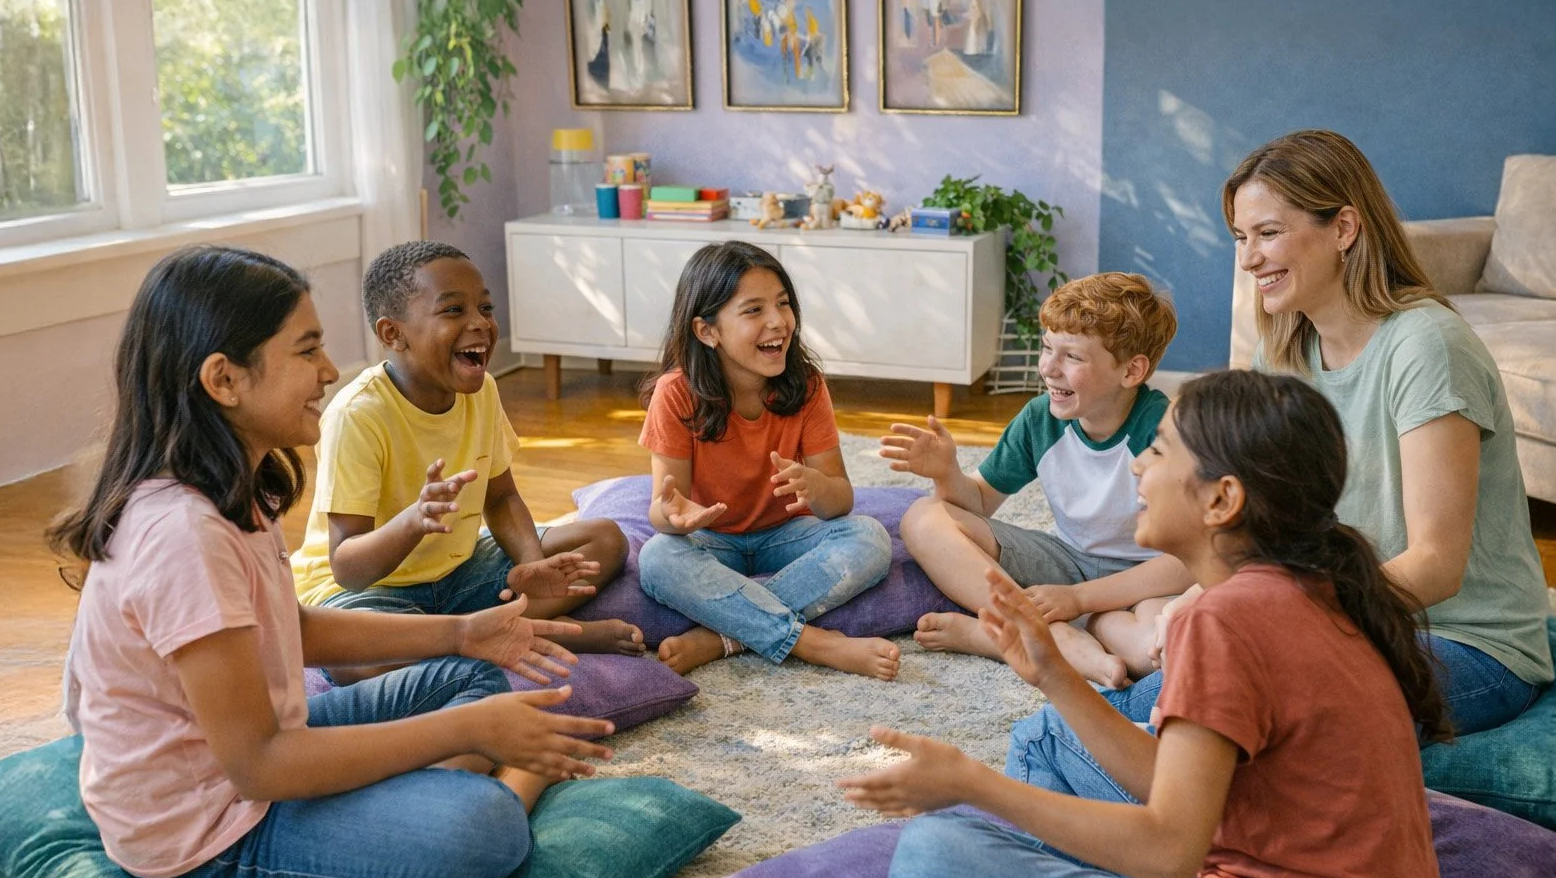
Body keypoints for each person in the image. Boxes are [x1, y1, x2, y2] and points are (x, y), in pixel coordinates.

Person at [841, 370, 1445, 878]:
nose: (1135, 465)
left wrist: (974, 785)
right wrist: (1055, 675)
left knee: (932, 858)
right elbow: (1179, 782)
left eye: (1156, 449)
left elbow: (1168, 851)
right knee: (1046, 735)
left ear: (1221, 501)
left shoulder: (1219, 621)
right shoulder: (1308, 584)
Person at [54, 245, 615, 878]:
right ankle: (497, 786)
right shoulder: (181, 534)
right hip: (210, 828)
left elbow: (289, 629)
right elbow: (259, 767)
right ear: (224, 379)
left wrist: (462, 632)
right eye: (306, 350)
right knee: (482, 828)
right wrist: (467, 731)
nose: (327, 370)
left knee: (472, 675)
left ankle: (436, 782)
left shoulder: (233, 486)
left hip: (262, 758)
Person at [1112, 129, 1554, 734]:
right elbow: (1252, 527)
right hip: (1348, 614)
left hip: (1468, 642)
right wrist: (1182, 598)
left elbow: (1435, 564)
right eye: (1242, 238)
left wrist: (1261, 613)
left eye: (1268, 233)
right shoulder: (1286, 353)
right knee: (1162, 700)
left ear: (1343, 229)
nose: (1248, 259)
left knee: (1201, 714)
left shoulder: (1426, 347)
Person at [290, 241, 643, 666]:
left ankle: (480, 634)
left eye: (486, 308)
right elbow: (348, 567)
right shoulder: (357, 416)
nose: (481, 323)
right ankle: (528, 633)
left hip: (458, 569)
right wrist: (413, 522)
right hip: (367, 592)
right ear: (393, 334)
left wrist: (532, 564)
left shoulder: (482, 390)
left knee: (603, 538)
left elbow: (502, 498)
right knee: (360, 661)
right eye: (454, 310)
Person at [886, 273, 1191, 687]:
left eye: (1073, 357)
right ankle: (1040, 632)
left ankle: (999, 637)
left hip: (1145, 577)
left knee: (1159, 652)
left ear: (1131, 370)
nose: (1048, 368)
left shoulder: (1164, 431)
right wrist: (946, 473)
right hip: (1065, 560)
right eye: (1047, 348)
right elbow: (974, 505)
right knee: (923, 517)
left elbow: (1187, 563)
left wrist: (1079, 600)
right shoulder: (1039, 418)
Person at [637, 240, 898, 680]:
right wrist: (671, 515)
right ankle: (811, 643)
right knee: (657, 558)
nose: (778, 321)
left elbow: (840, 502)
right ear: (707, 331)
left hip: (786, 534)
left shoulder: (807, 386)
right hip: (712, 541)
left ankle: (726, 636)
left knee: (871, 539)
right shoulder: (676, 392)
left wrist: (818, 489)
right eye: (753, 310)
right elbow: (665, 510)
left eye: (782, 304)